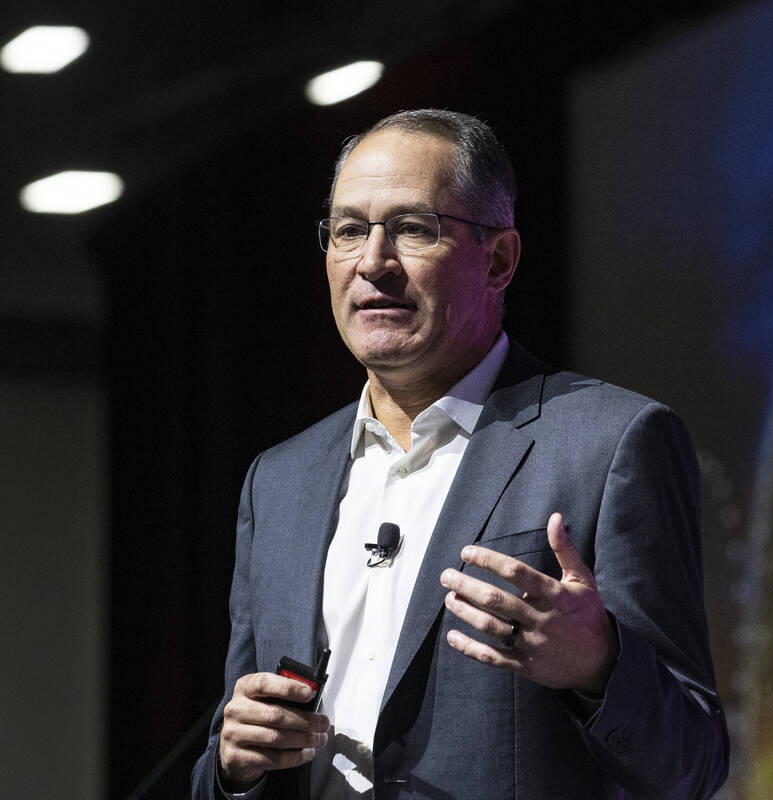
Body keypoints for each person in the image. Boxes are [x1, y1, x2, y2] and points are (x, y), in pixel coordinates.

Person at [191, 109, 728, 799]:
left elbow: (695, 764)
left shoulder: (610, 443)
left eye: (414, 229)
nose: (372, 262)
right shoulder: (279, 481)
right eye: (349, 230)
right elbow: (232, 745)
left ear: (499, 260)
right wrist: (233, 768)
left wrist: (598, 665)